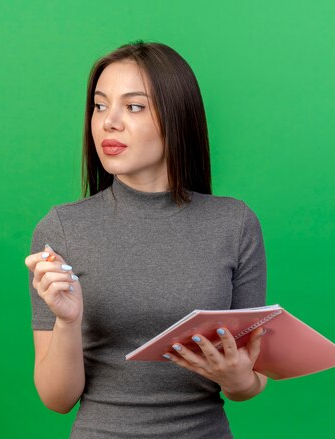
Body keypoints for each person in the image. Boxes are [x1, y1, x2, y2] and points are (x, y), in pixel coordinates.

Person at [24, 41, 268, 439]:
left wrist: (238, 378)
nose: (109, 122)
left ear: (177, 118)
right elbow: (57, 399)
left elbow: (251, 381)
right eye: (100, 106)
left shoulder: (235, 224)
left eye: (134, 106)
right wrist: (68, 320)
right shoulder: (62, 229)